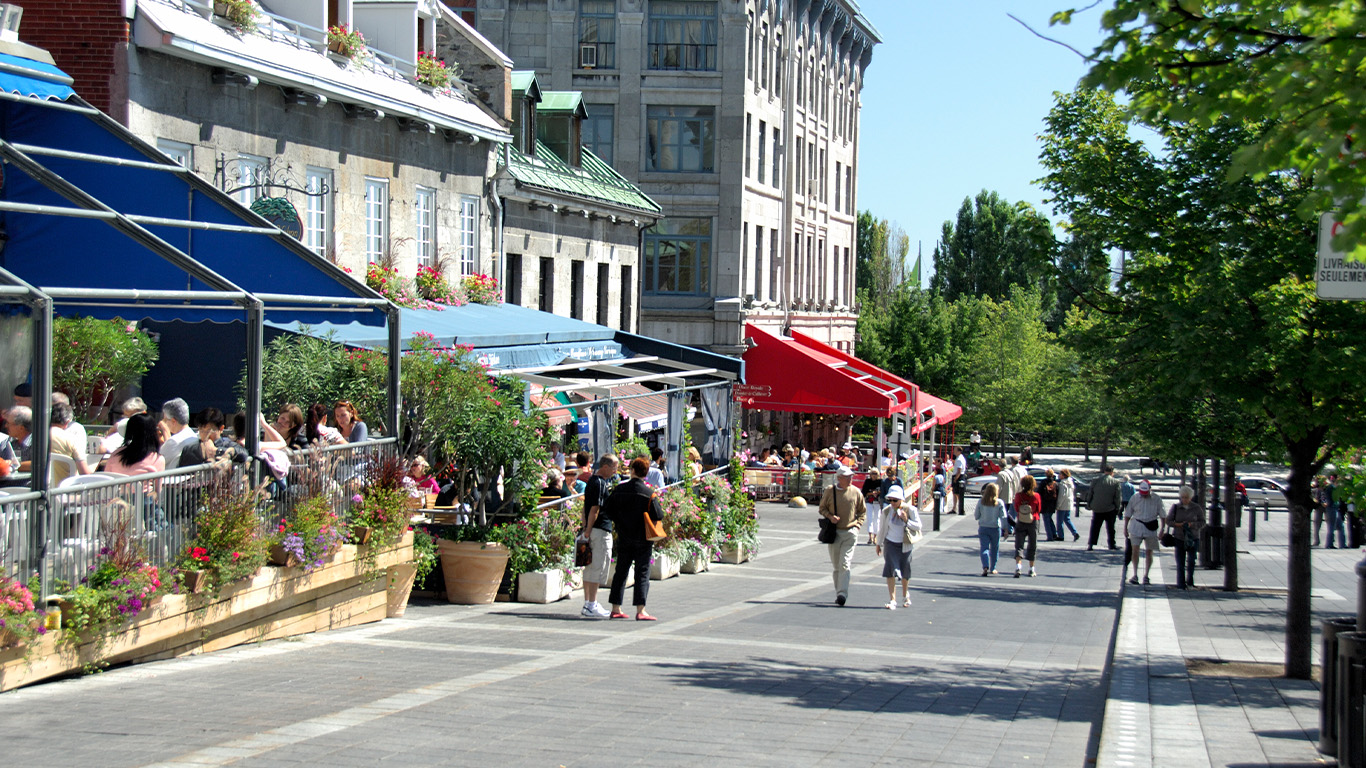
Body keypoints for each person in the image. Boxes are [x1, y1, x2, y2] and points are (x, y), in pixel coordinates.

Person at [605, 457, 665, 621]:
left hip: (624, 535)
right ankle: (640, 609)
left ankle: (616, 607)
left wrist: (619, 520)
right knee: (642, 572)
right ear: (646, 473)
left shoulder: (619, 490)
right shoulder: (648, 493)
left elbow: (608, 510)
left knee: (621, 572)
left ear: (632, 470)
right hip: (643, 537)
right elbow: (659, 514)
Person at [818, 465, 867, 606]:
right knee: (837, 566)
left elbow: (862, 512)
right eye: (847, 476)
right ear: (839, 478)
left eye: (851, 476)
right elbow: (822, 508)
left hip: (850, 533)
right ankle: (838, 591)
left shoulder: (856, 492)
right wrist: (830, 516)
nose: (851, 478)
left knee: (845, 563)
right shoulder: (830, 491)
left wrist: (857, 526)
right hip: (834, 533)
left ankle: (842, 593)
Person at [579, 454, 618, 619]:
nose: (616, 471)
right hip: (599, 530)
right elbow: (594, 509)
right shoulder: (601, 484)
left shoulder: (591, 482)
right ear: (606, 467)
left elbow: (585, 508)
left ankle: (588, 603)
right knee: (597, 566)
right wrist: (588, 530)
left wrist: (585, 528)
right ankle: (591, 604)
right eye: (615, 467)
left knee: (589, 567)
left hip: (592, 529)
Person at [874, 485, 920, 609]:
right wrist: (879, 543)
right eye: (890, 500)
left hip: (905, 544)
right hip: (890, 543)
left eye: (895, 500)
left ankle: (905, 595)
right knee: (890, 570)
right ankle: (892, 599)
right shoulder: (887, 511)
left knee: (905, 571)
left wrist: (906, 520)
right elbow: (882, 528)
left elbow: (918, 526)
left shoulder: (910, 510)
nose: (893, 503)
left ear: (901, 499)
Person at [1124, 480, 1164, 586]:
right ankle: (1135, 574)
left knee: (1149, 551)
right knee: (1135, 549)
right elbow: (1128, 513)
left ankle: (1146, 575)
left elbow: (1163, 515)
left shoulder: (1156, 499)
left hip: (1150, 526)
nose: (1144, 495)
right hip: (1136, 525)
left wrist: (1162, 529)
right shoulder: (1135, 498)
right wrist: (1125, 528)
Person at [1165, 485, 1205, 590]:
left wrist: (1192, 525)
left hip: (1193, 538)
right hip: (1179, 537)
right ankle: (1181, 584)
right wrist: (1178, 524)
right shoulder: (1176, 507)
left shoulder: (1196, 508)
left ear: (1190, 497)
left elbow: (1202, 522)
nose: (1184, 499)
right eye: (1182, 497)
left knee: (1191, 561)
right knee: (1180, 562)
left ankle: (1190, 582)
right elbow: (1168, 521)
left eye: (1186, 497)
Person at [178, 407, 247, 467]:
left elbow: (244, 454)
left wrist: (216, 450)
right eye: (201, 430)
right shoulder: (189, 449)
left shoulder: (228, 445)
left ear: (221, 429)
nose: (205, 435)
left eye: (209, 431)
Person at [105, 412, 166, 477]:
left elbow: (106, 477)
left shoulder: (116, 454)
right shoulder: (157, 459)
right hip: (144, 487)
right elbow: (157, 486)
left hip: (117, 487)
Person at [975, 482, 1008, 576]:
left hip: (983, 527)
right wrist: (1005, 529)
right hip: (995, 528)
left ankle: (985, 566)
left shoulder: (981, 501)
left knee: (984, 548)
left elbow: (976, 516)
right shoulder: (999, 502)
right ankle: (993, 568)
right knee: (994, 548)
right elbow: (1004, 516)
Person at [1088, 464, 1122, 551]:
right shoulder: (1115, 482)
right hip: (1109, 508)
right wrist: (1117, 508)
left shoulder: (1096, 480)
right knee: (1111, 528)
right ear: (1112, 472)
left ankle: (1091, 544)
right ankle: (1111, 544)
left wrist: (1089, 504)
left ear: (1104, 471)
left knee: (1095, 527)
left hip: (1097, 508)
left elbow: (1090, 493)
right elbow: (1117, 497)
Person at [1013, 474, 1042, 578]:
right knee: (1032, 545)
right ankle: (1031, 569)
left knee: (1019, 545)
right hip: (1033, 521)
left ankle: (1018, 567)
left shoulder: (1018, 496)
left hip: (1021, 521)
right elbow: (1039, 509)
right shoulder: (1036, 496)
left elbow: (1016, 508)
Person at [158, 398, 197, 470]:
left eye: (165, 420)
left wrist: (165, 431)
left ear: (173, 421)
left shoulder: (174, 441)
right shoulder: (194, 436)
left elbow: (158, 461)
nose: (164, 422)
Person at [998, 456, 1021, 535]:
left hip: (1002, 497)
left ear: (999, 466)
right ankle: (1012, 527)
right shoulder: (1010, 473)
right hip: (1010, 496)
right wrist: (1014, 494)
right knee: (1006, 513)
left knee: (1003, 514)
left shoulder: (1001, 474)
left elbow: (999, 487)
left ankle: (1013, 526)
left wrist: (995, 497)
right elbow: (1014, 485)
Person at [1056, 469, 1080, 542]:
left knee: (1059, 521)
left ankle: (1061, 535)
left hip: (1063, 504)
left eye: (1060, 474)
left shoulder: (1063, 484)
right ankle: (1074, 532)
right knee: (1067, 519)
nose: (1059, 475)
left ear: (1063, 475)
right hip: (1069, 503)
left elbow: (1062, 496)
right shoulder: (1070, 482)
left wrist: (1058, 505)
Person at [1039, 468, 1060, 541]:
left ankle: (1050, 536)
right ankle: (1054, 534)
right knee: (1050, 519)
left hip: (1045, 504)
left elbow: (1039, 493)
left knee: (1046, 520)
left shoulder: (1043, 482)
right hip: (1052, 504)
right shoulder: (1055, 483)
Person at [1326, 473, 1346, 549]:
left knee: (1340, 526)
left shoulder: (1337, 488)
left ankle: (1342, 544)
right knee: (1331, 526)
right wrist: (1332, 504)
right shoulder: (1330, 488)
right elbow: (1328, 498)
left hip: (1336, 508)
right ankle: (1329, 544)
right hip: (1331, 508)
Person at [864, 468, 883, 545]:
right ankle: (870, 536)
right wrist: (872, 493)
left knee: (877, 519)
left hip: (877, 502)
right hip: (869, 501)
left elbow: (883, 491)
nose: (874, 475)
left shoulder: (881, 481)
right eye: (872, 473)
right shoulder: (867, 481)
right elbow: (864, 492)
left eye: (875, 473)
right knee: (869, 518)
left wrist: (877, 493)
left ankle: (875, 536)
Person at [952, 447, 968, 515]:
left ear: (959, 451)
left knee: (958, 493)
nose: (954, 452)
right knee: (955, 493)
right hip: (960, 476)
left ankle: (960, 508)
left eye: (955, 450)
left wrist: (955, 479)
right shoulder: (960, 458)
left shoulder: (959, 459)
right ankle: (954, 508)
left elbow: (959, 470)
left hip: (958, 476)